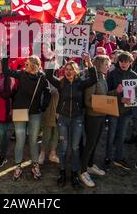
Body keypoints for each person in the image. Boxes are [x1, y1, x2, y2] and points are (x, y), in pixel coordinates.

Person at [46, 55, 98, 188]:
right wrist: (52, 63)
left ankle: (75, 174)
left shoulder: (81, 83)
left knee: (75, 148)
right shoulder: (61, 83)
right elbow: (49, 76)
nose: (68, 71)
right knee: (63, 148)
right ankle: (62, 173)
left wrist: (89, 62)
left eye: (71, 69)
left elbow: (94, 78)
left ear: (75, 71)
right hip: (63, 119)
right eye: (66, 69)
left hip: (77, 119)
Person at [2, 55, 51, 181]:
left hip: (35, 112)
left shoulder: (42, 77)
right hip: (19, 111)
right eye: (25, 64)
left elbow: (48, 92)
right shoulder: (22, 74)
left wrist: (43, 106)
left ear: (35, 65)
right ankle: (18, 166)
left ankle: (35, 165)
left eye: (28, 64)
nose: (25, 66)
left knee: (33, 141)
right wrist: (5, 56)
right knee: (20, 140)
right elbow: (6, 71)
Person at [81, 55, 111, 188]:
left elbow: (104, 96)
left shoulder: (103, 77)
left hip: (101, 115)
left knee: (95, 142)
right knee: (90, 143)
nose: (108, 66)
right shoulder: (92, 78)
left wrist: (117, 92)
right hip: (92, 116)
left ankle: (90, 165)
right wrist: (102, 105)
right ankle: (82, 171)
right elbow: (88, 101)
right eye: (106, 64)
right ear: (99, 65)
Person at [105, 51, 137, 171]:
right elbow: (107, 93)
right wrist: (118, 94)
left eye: (126, 62)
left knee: (122, 135)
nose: (124, 64)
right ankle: (108, 157)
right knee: (111, 134)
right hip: (114, 109)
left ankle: (119, 157)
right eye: (121, 61)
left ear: (130, 62)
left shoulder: (134, 75)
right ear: (118, 62)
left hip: (127, 111)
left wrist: (130, 100)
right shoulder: (112, 74)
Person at [38, 82, 60, 166]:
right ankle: (42, 154)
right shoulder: (46, 81)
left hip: (59, 113)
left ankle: (52, 154)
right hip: (48, 113)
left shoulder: (61, 81)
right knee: (46, 135)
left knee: (56, 134)